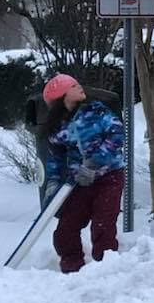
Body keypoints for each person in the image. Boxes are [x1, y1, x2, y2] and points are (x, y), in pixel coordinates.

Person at [38, 74, 125, 273]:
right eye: (74, 86)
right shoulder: (57, 128)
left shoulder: (96, 112)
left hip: (109, 176)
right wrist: (52, 183)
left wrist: (95, 162)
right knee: (66, 227)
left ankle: (106, 266)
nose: (80, 87)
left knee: (103, 223)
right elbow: (55, 158)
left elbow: (117, 135)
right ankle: (71, 265)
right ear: (62, 96)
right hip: (80, 182)